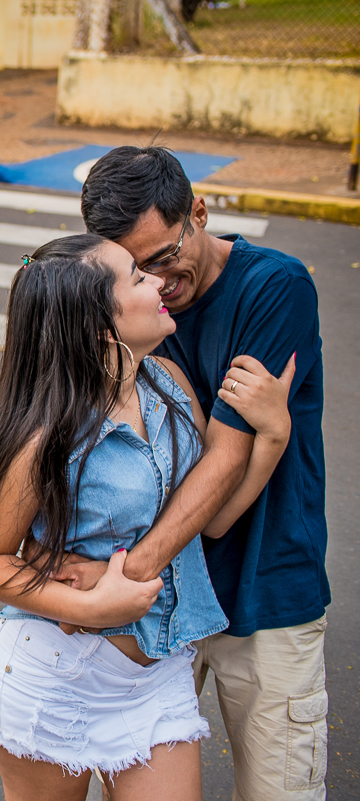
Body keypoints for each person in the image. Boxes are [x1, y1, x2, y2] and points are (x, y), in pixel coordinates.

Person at [0, 233, 293, 801]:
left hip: (158, 670)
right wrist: (89, 604)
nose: (158, 282)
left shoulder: (170, 386)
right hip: (56, 676)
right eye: (137, 277)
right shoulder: (42, 436)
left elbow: (210, 520)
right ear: (104, 330)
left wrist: (274, 435)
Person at [68, 146, 330, 801]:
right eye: (134, 269)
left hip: (262, 588)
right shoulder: (133, 311)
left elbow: (218, 492)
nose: (159, 280)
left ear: (200, 212)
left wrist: (119, 582)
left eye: (164, 255)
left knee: (279, 787)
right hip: (162, 608)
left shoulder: (274, 286)